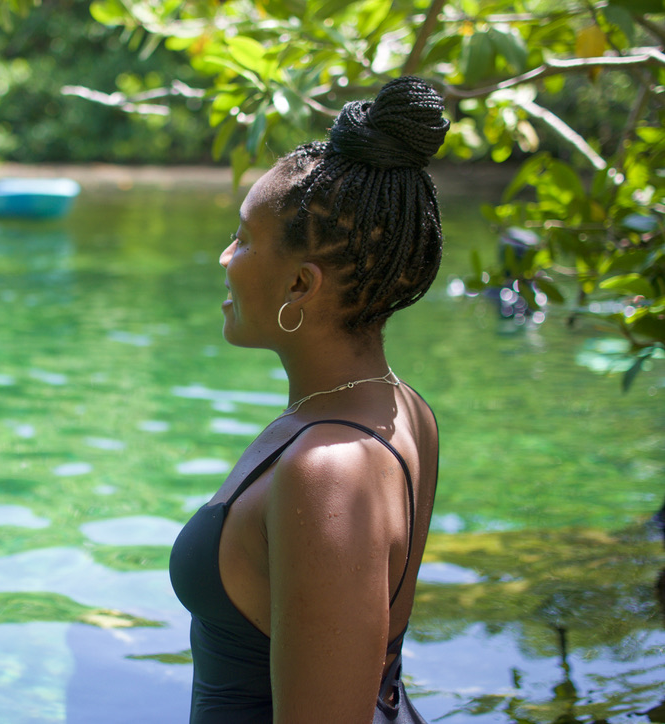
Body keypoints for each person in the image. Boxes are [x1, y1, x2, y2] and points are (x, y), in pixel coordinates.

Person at [169, 76, 448, 723]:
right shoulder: (404, 409)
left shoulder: (328, 470)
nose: (224, 257)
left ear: (299, 284)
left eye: (241, 238)